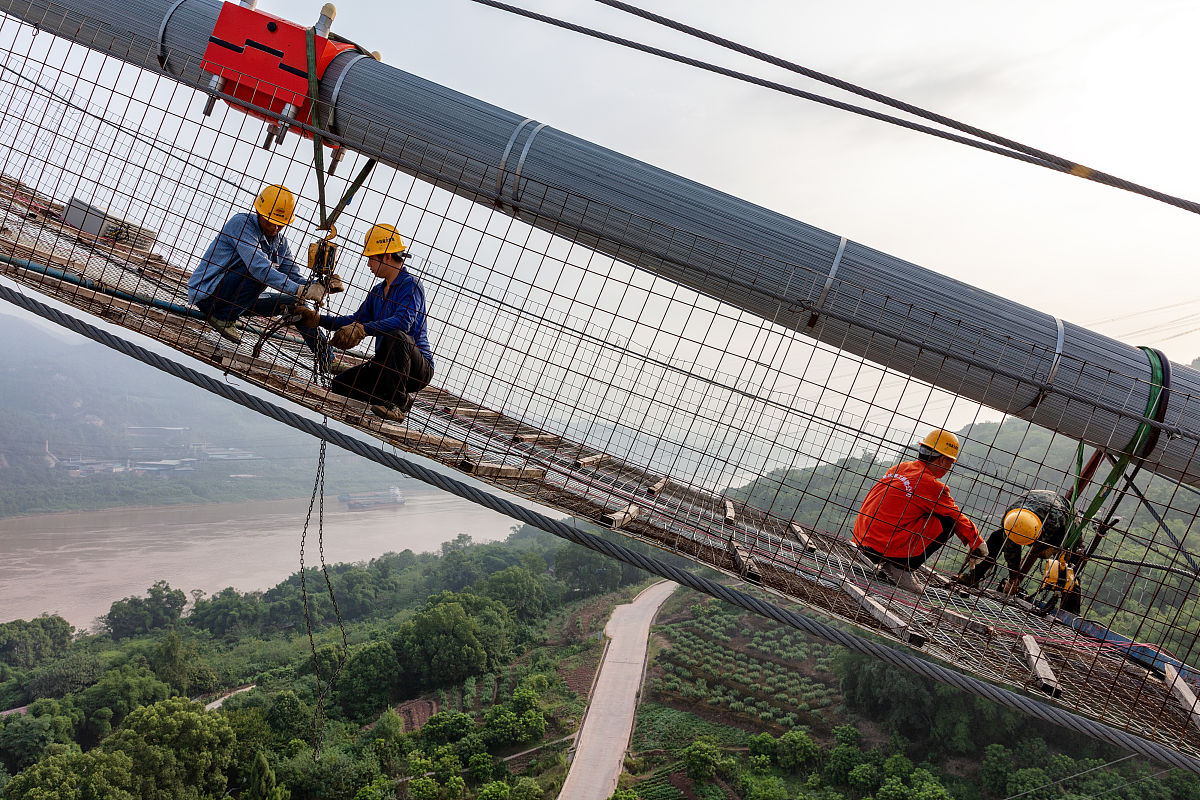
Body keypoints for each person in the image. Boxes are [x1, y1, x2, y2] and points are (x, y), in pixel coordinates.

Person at [186, 184, 331, 368]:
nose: (275, 227)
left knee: (299, 305)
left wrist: (315, 286)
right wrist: (298, 289)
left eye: (281, 224)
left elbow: (293, 275)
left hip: (239, 300)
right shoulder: (241, 224)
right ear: (259, 212)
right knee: (261, 270)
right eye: (270, 221)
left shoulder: (281, 243)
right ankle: (223, 317)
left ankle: (327, 358)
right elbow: (259, 268)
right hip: (210, 295)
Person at [319, 223, 433, 422]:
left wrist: (363, 329)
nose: (368, 264)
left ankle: (397, 404)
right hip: (386, 366)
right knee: (340, 385)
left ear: (386, 256)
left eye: (371, 258)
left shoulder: (411, 286)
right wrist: (318, 319)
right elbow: (354, 321)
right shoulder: (377, 293)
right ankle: (395, 397)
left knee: (395, 334)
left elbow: (402, 323)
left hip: (415, 368)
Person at [852, 429, 988, 591]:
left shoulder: (900, 468)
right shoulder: (932, 485)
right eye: (951, 463)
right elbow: (956, 516)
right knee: (948, 522)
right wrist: (977, 543)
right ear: (942, 460)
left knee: (931, 512)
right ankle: (901, 568)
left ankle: (897, 563)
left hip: (862, 538)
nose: (949, 467)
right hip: (880, 545)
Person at [959, 489, 1073, 594]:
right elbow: (1012, 553)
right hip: (1030, 507)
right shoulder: (1010, 520)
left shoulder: (1056, 521)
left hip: (1061, 510)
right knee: (997, 538)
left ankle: (1067, 603)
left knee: (1069, 558)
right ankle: (973, 578)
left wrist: (1056, 549)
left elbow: (1073, 532)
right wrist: (1013, 579)